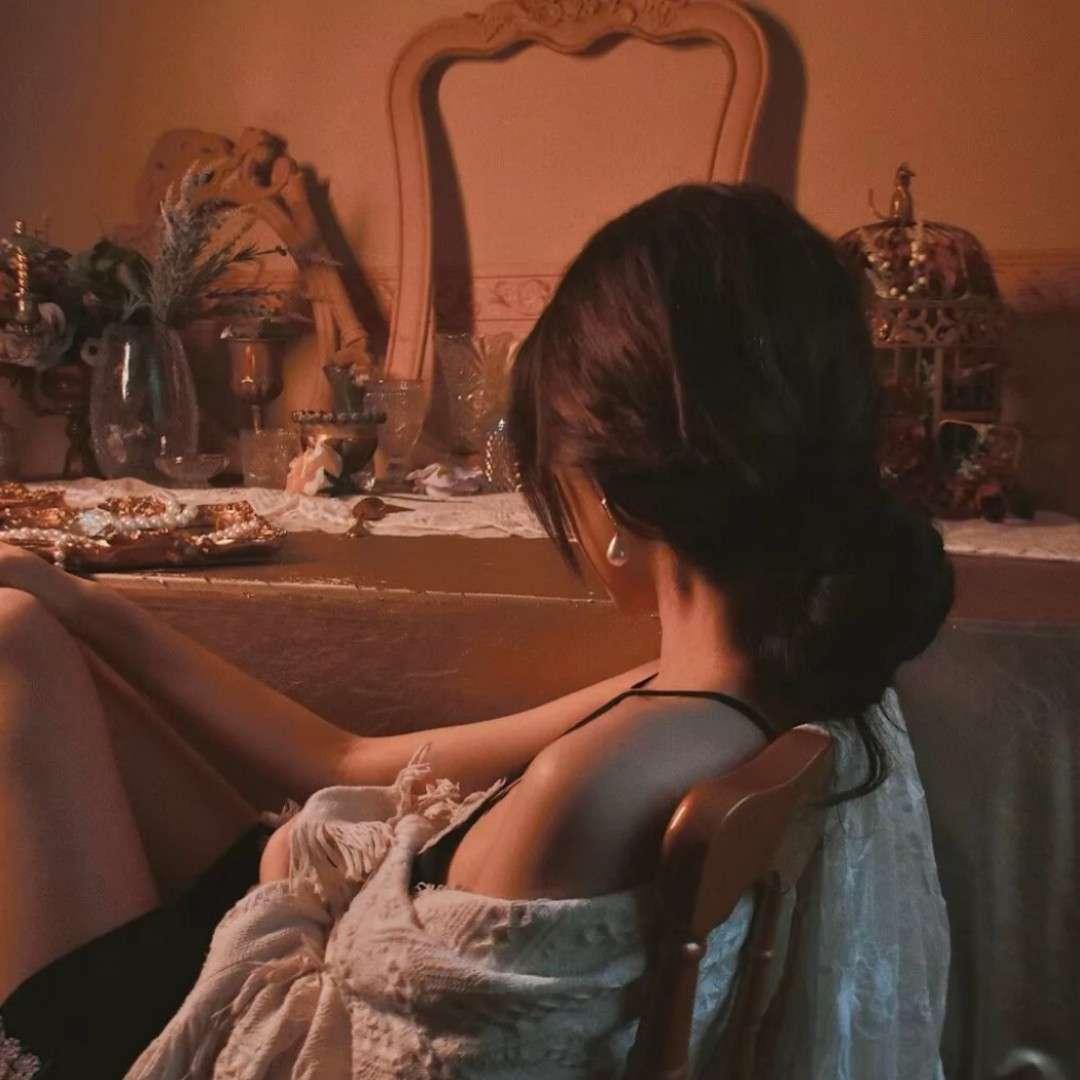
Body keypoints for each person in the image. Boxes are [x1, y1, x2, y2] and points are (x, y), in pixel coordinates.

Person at [0, 183, 952, 1078]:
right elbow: (344, 757)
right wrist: (85, 603)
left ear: (612, 494)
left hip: (195, 1019)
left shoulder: (592, 788)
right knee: (36, 629)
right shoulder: (757, 691)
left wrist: (301, 889)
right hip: (266, 925)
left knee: (8, 635)